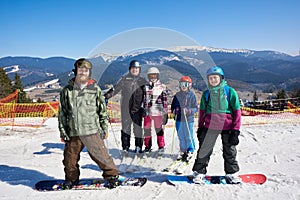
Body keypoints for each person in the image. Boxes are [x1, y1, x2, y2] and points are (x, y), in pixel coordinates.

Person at [58, 58, 119, 189]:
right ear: (75, 72)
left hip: (91, 130)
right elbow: (62, 113)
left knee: (101, 155)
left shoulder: (94, 89)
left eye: (86, 71)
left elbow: (102, 110)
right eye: (80, 71)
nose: (83, 73)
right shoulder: (67, 91)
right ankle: (71, 179)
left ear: (89, 73)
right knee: (70, 159)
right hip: (73, 131)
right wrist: (63, 131)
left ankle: (112, 176)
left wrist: (104, 127)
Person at [191, 66, 242, 184]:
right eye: (210, 78)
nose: (213, 80)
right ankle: (199, 172)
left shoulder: (230, 92)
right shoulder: (206, 94)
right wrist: (201, 127)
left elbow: (237, 112)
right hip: (210, 127)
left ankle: (232, 173)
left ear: (221, 78)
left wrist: (236, 130)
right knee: (204, 150)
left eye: (215, 77)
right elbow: (202, 112)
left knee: (229, 151)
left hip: (228, 127)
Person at [104, 60, 148, 153]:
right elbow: (115, 90)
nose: (135, 70)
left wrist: (146, 108)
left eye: (136, 68)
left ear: (139, 70)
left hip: (138, 109)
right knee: (125, 129)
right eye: (133, 68)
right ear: (130, 69)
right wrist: (105, 96)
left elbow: (148, 95)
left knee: (138, 129)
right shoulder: (124, 80)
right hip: (126, 109)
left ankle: (138, 146)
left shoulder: (142, 81)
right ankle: (125, 147)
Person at [171, 76, 198, 161]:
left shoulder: (192, 96)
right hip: (179, 119)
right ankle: (183, 150)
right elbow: (173, 106)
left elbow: (196, 108)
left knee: (188, 135)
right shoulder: (177, 95)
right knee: (180, 135)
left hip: (188, 119)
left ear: (189, 85)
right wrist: (175, 110)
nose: (184, 86)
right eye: (182, 84)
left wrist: (189, 111)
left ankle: (190, 150)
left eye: (186, 84)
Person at [143, 67, 168, 152]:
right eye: (151, 76)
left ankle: (161, 146)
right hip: (148, 112)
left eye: (155, 76)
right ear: (148, 76)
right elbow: (143, 99)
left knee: (159, 129)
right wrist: (143, 108)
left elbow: (165, 100)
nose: (153, 77)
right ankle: (147, 146)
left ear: (157, 76)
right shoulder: (146, 87)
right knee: (146, 129)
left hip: (158, 111)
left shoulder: (162, 87)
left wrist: (165, 113)